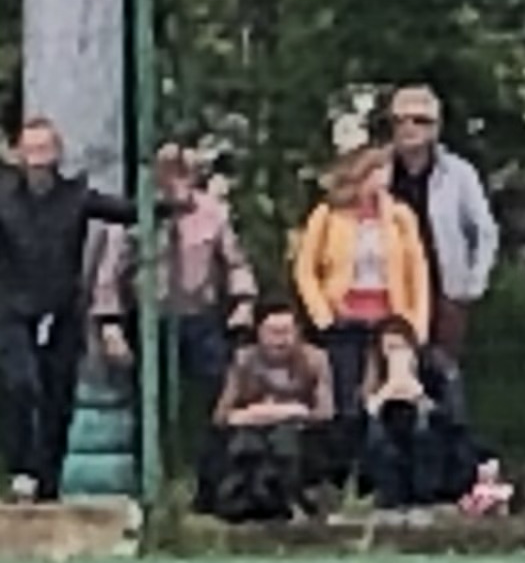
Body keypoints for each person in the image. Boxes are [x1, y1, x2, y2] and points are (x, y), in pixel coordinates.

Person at [0, 119, 131, 499]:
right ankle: (22, 467)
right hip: (13, 311)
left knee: (58, 396)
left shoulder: (77, 196)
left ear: (58, 153)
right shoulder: (4, 198)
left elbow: (125, 211)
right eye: (31, 150)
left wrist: (171, 202)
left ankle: (48, 481)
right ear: (19, 154)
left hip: (61, 309)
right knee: (21, 384)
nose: (38, 159)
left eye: (45, 149)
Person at [290, 144, 433, 475]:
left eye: (387, 171)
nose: (384, 179)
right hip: (343, 317)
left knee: (391, 393)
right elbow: (305, 269)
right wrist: (322, 315)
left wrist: (416, 322)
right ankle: (344, 470)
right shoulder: (328, 215)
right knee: (346, 395)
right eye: (377, 171)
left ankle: (386, 469)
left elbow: (417, 271)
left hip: (389, 318)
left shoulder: (400, 216)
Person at [380, 87, 499, 386]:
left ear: (436, 127)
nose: (408, 128)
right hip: (388, 292)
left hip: (444, 291)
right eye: (399, 120)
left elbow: (484, 230)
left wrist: (473, 285)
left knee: (443, 375)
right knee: (388, 375)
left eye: (419, 120)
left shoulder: (459, 173)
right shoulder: (378, 171)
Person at [200, 306, 334, 523]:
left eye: (286, 332)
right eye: (273, 332)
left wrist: (288, 412)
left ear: (298, 333)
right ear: (259, 332)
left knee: (286, 439)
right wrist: (256, 415)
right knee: (243, 443)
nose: (280, 340)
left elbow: (326, 411)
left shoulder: (315, 359)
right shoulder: (244, 359)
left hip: (299, 433)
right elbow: (221, 415)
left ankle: (296, 502)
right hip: (251, 432)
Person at [148, 143, 259, 406]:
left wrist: (244, 303)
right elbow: (114, 269)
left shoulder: (213, 212)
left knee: (211, 389)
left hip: (200, 318)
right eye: (169, 172)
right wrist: (110, 323)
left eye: (184, 173)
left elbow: (235, 262)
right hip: (151, 322)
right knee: (154, 396)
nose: (176, 180)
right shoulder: (137, 210)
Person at [356, 323, 478, 512]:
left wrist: (421, 398)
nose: (397, 355)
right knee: (382, 445)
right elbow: (366, 424)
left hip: (435, 440)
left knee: (425, 438)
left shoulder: (434, 369)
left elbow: (454, 416)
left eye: (401, 347)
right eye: (390, 349)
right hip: (392, 443)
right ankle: (390, 494)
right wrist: (382, 397)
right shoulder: (375, 374)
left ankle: (427, 494)